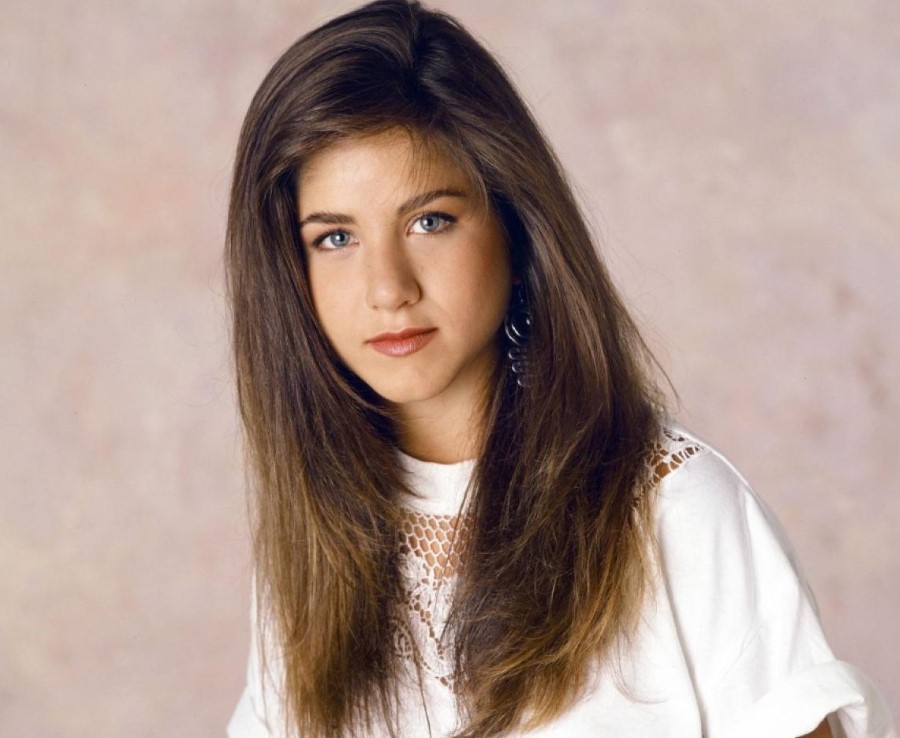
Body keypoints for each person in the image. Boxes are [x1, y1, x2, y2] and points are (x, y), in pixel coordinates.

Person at [223, 1, 894, 736]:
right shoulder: (310, 548)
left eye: (429, 221)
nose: (388, 288)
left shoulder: (672, 513)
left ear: (515, 229)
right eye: (335, 238)